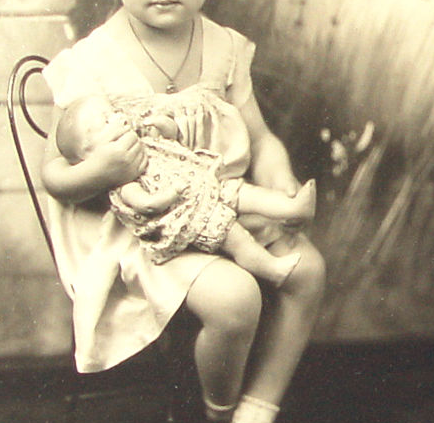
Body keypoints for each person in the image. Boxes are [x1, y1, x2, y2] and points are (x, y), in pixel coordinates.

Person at [40, 0, 326, 423]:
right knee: (235, 301)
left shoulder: (224, 49)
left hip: (218, 202)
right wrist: (101, 171)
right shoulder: (92, 63)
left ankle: (256, 418)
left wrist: (276, 172)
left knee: (307, 269)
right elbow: (56, 176)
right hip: (144, 229)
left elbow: (258, 132)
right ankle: (217, 420)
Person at [51, 91, 313, 284]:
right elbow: (147, 204)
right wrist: (170, 194)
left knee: (243, 191)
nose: (119, 118)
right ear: (90, 153)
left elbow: (172, 142)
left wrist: (166, 127)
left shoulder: (141, 140)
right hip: (191, 215)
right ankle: (271, 269)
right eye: (106, 122)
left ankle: (291, 207)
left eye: (113, 112)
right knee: (234, 235)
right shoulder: (122, 181)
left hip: (206, 184)